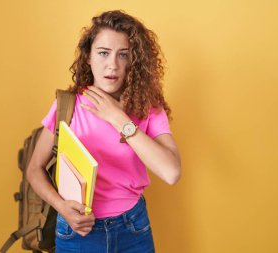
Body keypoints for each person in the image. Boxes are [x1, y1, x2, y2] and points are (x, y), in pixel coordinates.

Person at [27, 10, 181, 253]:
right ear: (88, 56)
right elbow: (34, 169)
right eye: (103, 53)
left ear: (134, 60)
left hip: (133, 229)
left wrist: (119, 119)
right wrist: (61, 206)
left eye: (124, 55)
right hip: (78, 230)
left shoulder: (148, 108)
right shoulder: (68, 105)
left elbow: (171, 172)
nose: (113, 65)